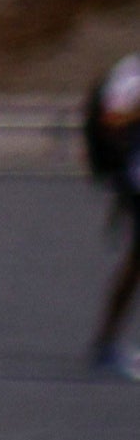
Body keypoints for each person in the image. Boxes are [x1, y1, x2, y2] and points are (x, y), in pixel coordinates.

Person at [87, 53, 140, 381]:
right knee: (135, 264)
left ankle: (105, 344)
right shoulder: (132, 73)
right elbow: (111, 118)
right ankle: (105, 345)